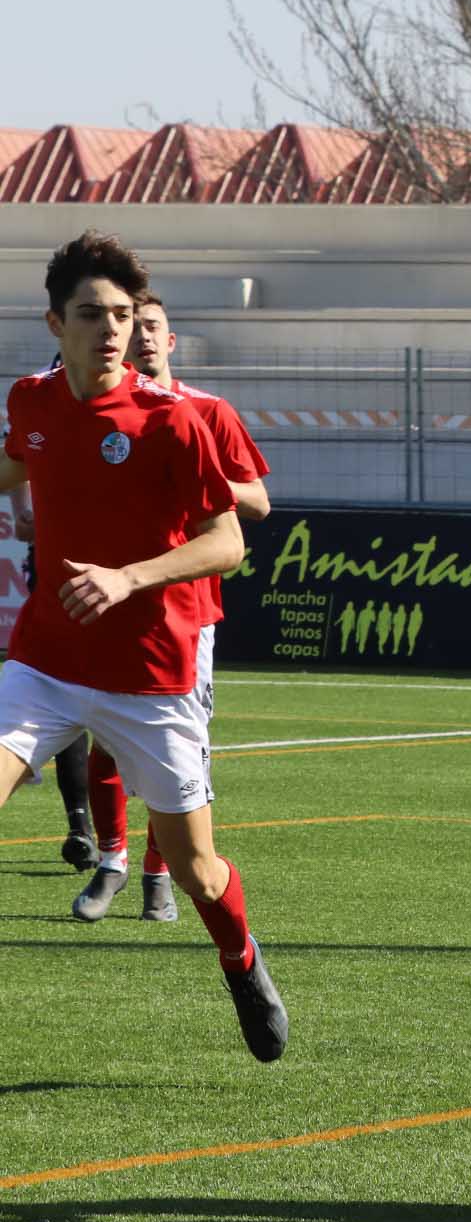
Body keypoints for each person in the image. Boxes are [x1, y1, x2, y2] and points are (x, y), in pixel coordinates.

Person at [0, 231, 285, 1060]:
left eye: (122, 314)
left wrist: (129, 577)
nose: (112, 329)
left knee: (197, 870)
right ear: (54, 322)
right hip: (45, 663)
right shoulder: (31, 401)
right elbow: (13, 467)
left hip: (149, 677)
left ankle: (240, 957)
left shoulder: (174, 421)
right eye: (92, 313)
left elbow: (227, 540)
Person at [72, 292, 271, 924]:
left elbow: (259, 503)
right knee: (102, 740)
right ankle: (112, 862)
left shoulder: (207, 411)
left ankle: (160, 875)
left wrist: (196, 475)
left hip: (186, 611)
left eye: (155, 327)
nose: (144, 339)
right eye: (136, 328)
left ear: (171, 339)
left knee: (174, 751)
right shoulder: (102, 412)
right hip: (112, 598)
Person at [5, 418, 98, 870]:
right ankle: (83, 827)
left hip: (119, 584)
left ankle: (124, 854)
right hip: (54, 576)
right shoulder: (41, 402)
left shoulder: (156, 409)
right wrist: (27, 513)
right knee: (62, 690)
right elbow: (16, 463)